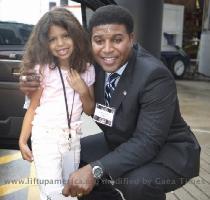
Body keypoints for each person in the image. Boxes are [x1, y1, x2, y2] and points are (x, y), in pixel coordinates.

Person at [20, 5, 200, 200]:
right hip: (121, 139)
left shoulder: (154, 76)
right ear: (90, 41)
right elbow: (56, 55)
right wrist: (29, 76)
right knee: (75, 157)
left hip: (168, 150)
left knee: (135, 183)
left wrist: (96, 169)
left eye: (117, 40)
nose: (107, 49)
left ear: (131, 39)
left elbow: (147, 142)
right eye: (99, 41)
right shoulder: (92, 64)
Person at [18, 7, 95, 200]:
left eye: (65, 36)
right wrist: (22, 140)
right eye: (52, 39)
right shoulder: (43, 68)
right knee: (53, 192)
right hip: (45, 136)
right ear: (45, 43)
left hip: (72, 139)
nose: (60, 43)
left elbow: (90, 110)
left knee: (70, 191)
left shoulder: (87, 68)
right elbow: (33, 108)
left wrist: (83, 90)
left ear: (75, 35)